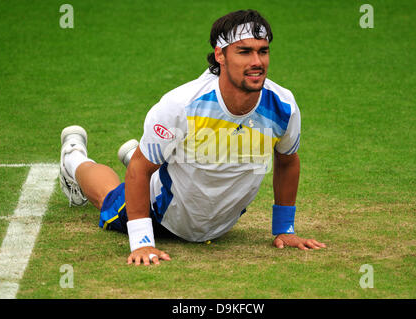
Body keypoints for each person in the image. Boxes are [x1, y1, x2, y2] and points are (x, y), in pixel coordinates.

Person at [58, 9, 326, 266]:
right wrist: (142, 241)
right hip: (160, 214)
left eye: (263, 51)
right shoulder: (182, 105)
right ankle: (73, 156)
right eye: (244, 52)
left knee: (157, 160)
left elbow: (288, 160)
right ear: (220, 55)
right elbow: (140, 169)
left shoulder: (283, 106)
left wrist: (284, 229)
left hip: (217, 223)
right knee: (109, 197)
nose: (256, 62)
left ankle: (158, 154)